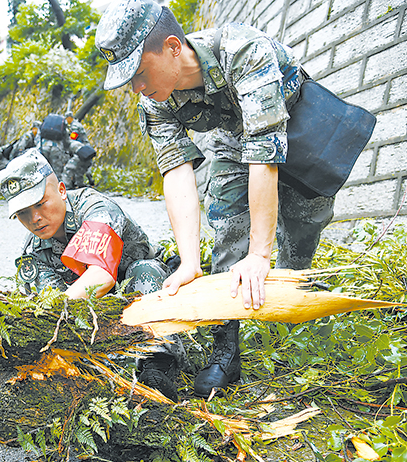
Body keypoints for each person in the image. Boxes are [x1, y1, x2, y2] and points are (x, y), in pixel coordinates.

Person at [95, 0, 336, 397]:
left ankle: (295, 322)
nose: (137, 87)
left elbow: (265, 150)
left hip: (297, 131)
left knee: (300, 233)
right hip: (232, 141)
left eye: (139, 73)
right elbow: (175, 171)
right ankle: (227, 347)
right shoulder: (156, 99)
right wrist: (189, 261)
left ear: (173, 47)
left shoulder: (242, 50)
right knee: (226, 229)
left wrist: (260, 254)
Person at [0, 148, 183, 400]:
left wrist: (54, 311)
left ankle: (158, 365)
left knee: (144, 272)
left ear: (62, 190)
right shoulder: (31, 254)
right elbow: (55, 314)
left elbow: (101, 276)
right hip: (93, 310)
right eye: (23, 213)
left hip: (141, 286)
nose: (35, 219)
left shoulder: (94, 208)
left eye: (40, 204)